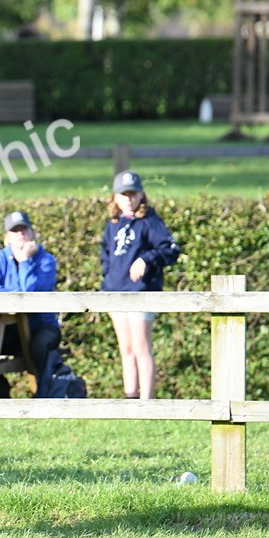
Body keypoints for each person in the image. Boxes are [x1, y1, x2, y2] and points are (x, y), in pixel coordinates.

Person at [101, 170, 180, 399]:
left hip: (140, 293)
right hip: (115, 292)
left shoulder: (150, 221)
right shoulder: (113, 224)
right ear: (115, 197)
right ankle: (130, 398)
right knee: (126, 349)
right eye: (123, 194)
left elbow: (170, 250)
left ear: (141, 195)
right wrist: (108, 278)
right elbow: (106, 255)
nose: (129, 199)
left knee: (141, 347)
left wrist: (146, 259)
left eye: (133, 194)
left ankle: (147, 401)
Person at [0, 210, 61, 397]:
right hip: (11, 329)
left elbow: (32, 295)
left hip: (42, 327)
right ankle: (2, 394)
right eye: (14, 230)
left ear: (32, 232)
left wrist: (25, 261)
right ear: (7, 236)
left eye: (23, 229)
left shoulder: (46, 261)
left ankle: (44, 398)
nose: (20, 234)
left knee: (40, 347)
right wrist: (15, 296)